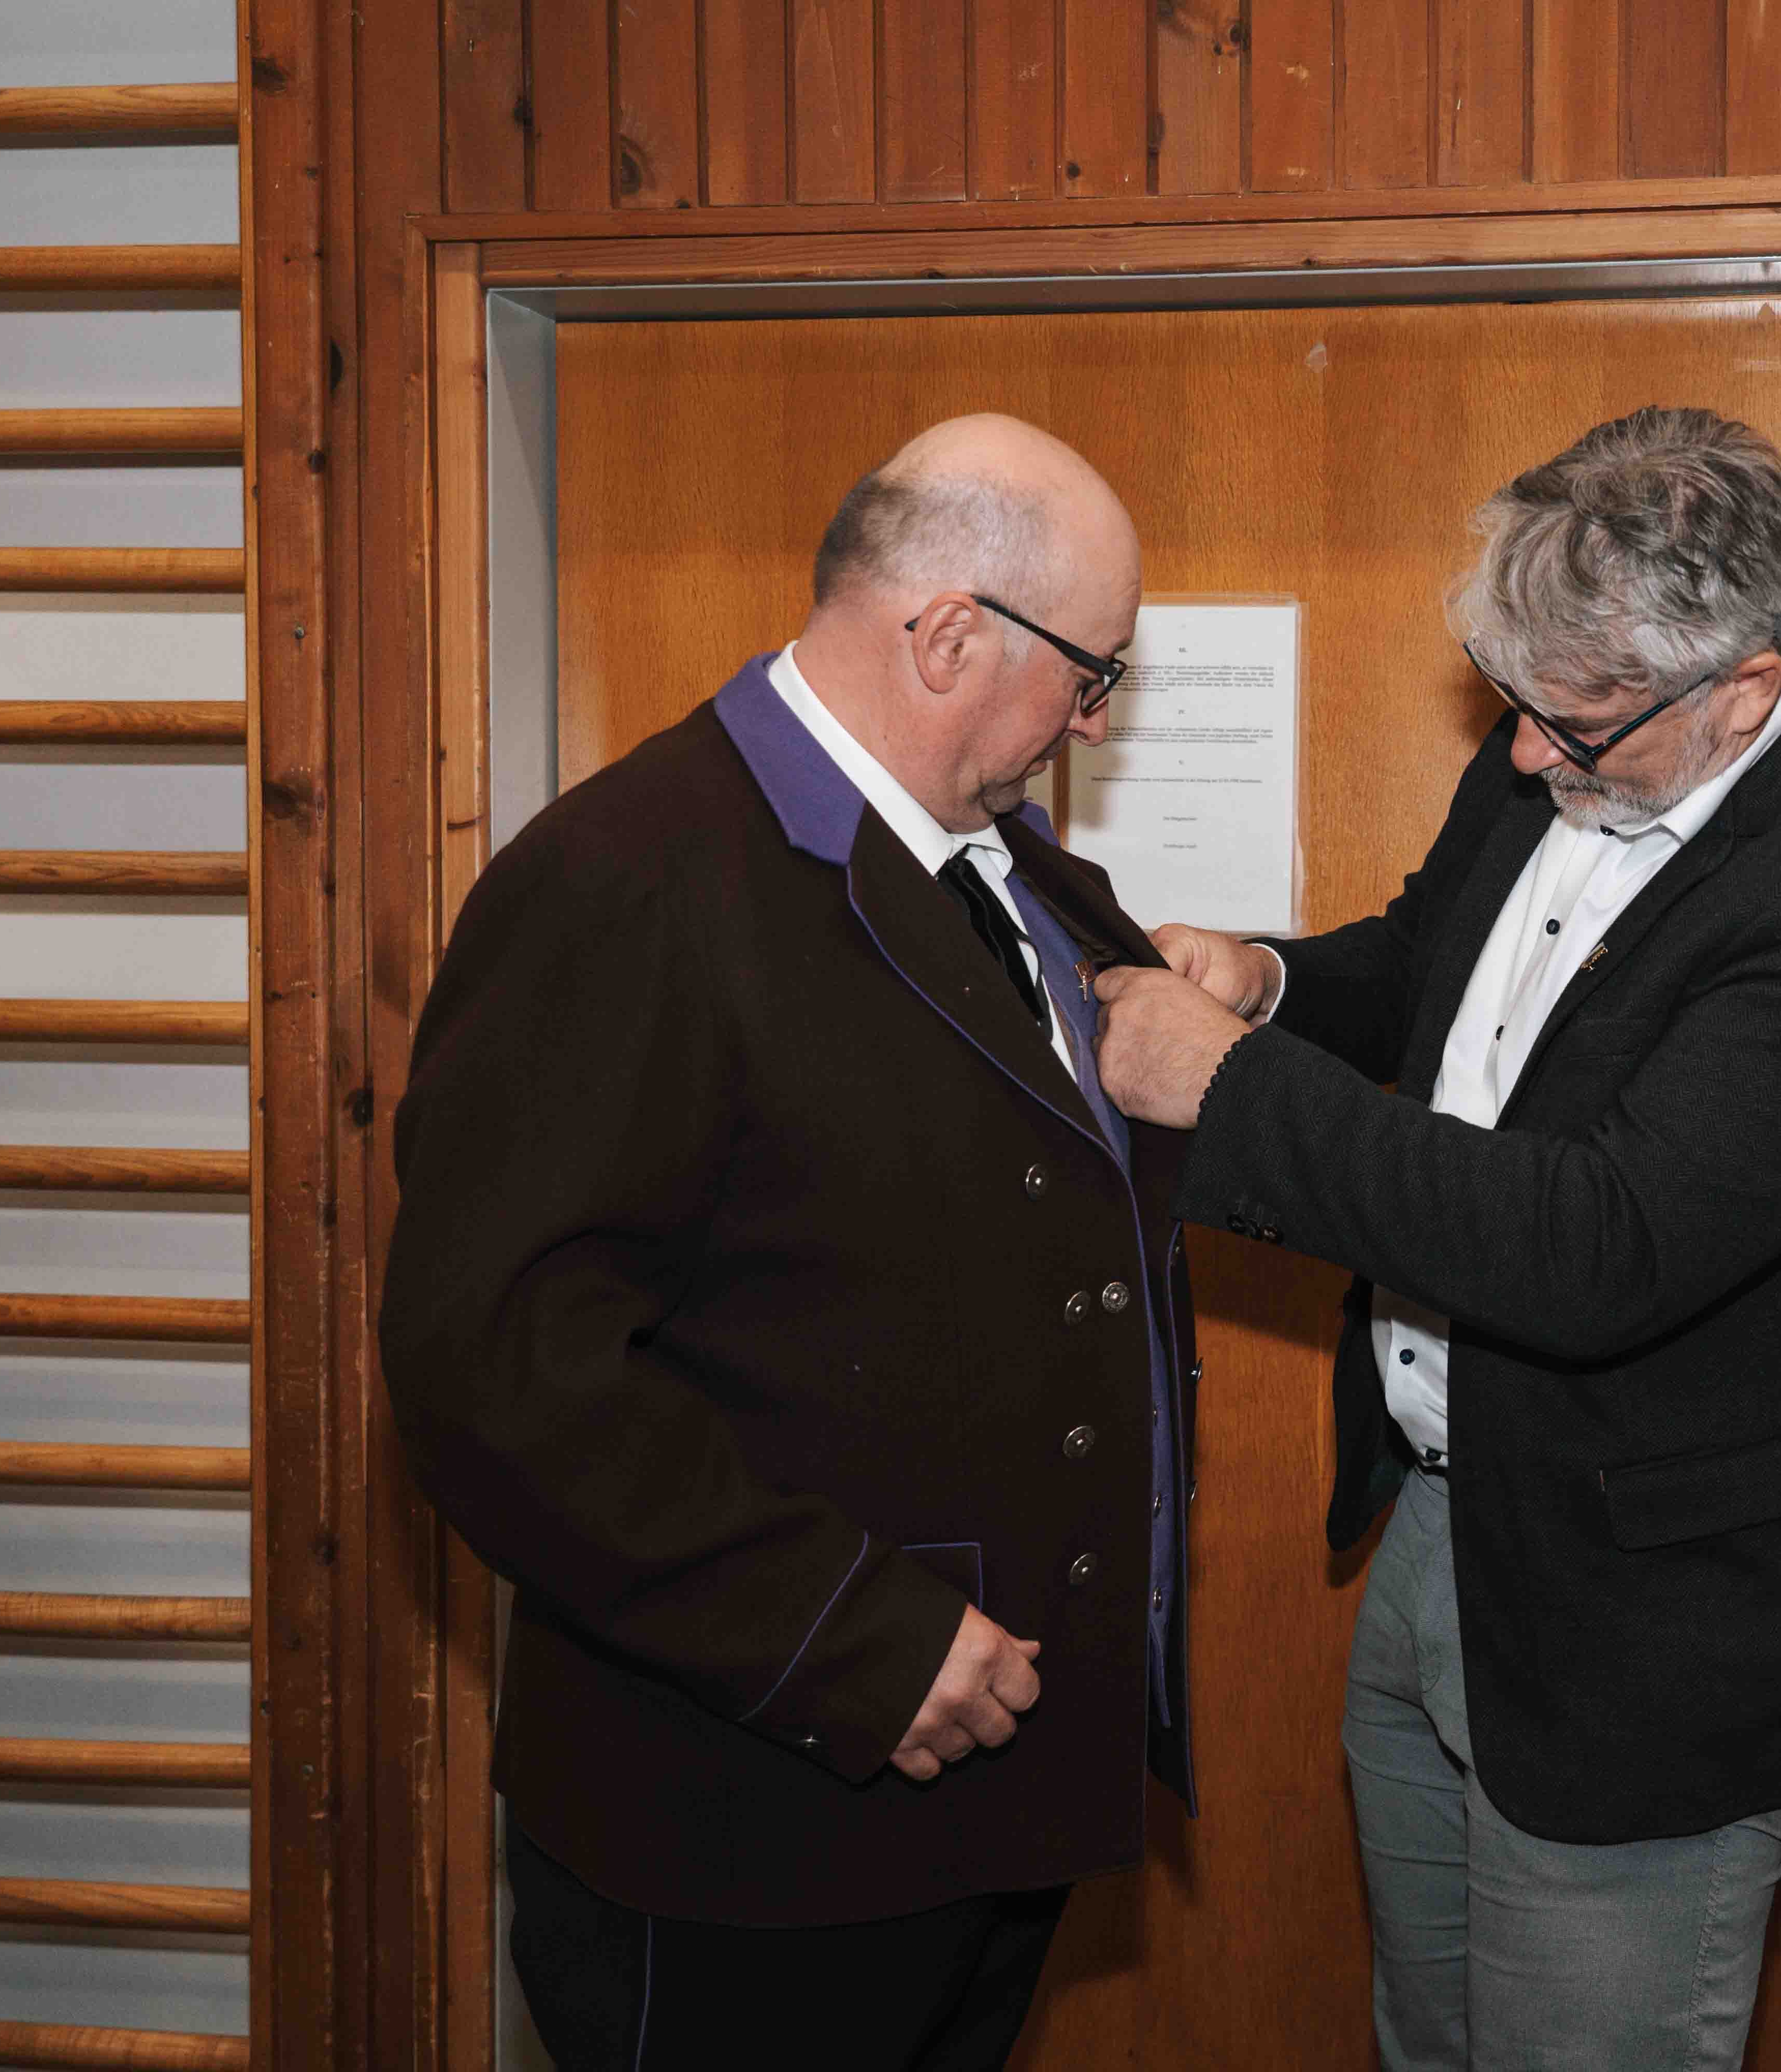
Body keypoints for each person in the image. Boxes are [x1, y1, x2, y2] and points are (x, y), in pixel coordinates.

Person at [1093, 406, 1781, 2070]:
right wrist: (1270, 984)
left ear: (1742, 686)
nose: (1521, 755)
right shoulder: (1579, 726)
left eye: (1568, 721)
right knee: (1428, 2041)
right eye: (1510, 701)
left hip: (1658, 1627)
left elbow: (1598, 1249)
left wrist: (1227, 1089)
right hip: (1442, 1535)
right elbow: (1431, 967)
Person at [377, 415, 1196, 2072]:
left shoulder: (1009, 875)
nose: (1094, 722)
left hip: (985, 1800)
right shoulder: (628, 879)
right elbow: (496, 1373)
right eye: (1091, 674)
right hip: (755, 1820)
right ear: (950, 635)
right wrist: (854, 1638)